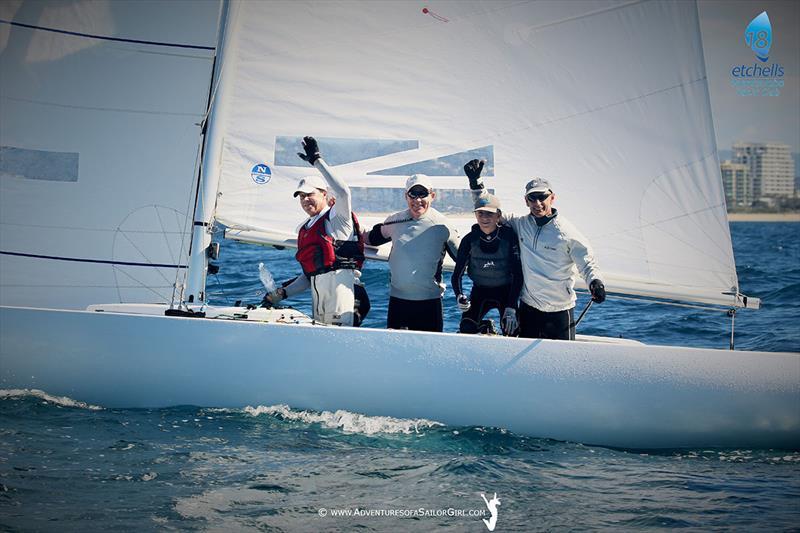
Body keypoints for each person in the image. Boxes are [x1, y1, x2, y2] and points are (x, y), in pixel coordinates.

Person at [464, 159, 606, 340]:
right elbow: (489, 211)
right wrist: (476, 183)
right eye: (532, 198)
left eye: (542, 197)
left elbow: (587, 262)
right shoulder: (521, 224)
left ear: (552, 198)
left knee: (562, 362)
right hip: (528, 307)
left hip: (560, 310)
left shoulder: (566, 232)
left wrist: (595, 282)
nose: (537, 203)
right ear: (526, 201)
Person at [266, 136, 365, 326]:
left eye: (310, 194)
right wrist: (281, 294)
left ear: (324, 194)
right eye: (301, 196)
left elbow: (344, 192)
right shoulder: (305, 229)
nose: (305, 200)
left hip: (342, 297)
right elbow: (309, 276)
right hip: (319, 301)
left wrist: (317, 161)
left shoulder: (337, 219)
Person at [364, 174, 459, 332]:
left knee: (428, 354)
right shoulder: (395, 220)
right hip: (398, 303)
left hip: (430, 304)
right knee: (394, 353)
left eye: (423, 194)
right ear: (406, 196)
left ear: (432, 196)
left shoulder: (443, 226)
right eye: (413, 194)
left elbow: (463, 258)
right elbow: (370, 238)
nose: (417, 200)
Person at [451, 193, 522, 336]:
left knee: (511, 331)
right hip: (480, 291)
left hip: (506, 293)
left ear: (498, 215)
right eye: (480, 213)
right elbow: (457, 274)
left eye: (489, 213)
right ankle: (485, 327)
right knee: (466, 327)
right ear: (476, 215)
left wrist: (512, 307)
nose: (484, 218)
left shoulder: (509, 237)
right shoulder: (469, 240)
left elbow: (518, 275)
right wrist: (459, 296)